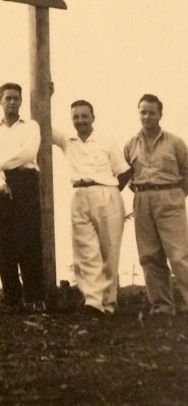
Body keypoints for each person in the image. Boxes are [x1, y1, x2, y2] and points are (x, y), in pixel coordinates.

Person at [53, 100, 131, 317]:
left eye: (84, 116)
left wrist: (110, 193)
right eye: (76, 117)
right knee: (85, 251)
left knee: (109, 250)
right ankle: (93, 302)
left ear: (93, 118)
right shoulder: (67, 141)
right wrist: (49, 95)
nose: (80, 121)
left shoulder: (106, 141)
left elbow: (124, 172)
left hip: (106, 193)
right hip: (79, 194)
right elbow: (44, 125)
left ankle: (108, 304)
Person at [123, 94, 188, 317]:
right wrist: (144, 194)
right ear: (138, 113)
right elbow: (127, 174)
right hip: (142, 200)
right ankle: (162, 305)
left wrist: (176, 194)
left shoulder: (175, 142)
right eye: (143, 112)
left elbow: (186, 171)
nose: (147, 116)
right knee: (149, 256)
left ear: (160, 114)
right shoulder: (131, 144)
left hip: (170, 198)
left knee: (179, 255)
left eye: (151, 112)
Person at [0, 82, 45, 313]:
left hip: (26, 181)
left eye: (16, 98)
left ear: (21, 101)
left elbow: (27, 153)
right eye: (7, 98)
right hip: (0, 184)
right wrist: (0, 185)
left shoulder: (30, 126)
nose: (12, 102)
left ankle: (35, 297)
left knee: (29, 240)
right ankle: (12, 300)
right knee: (4, 242)